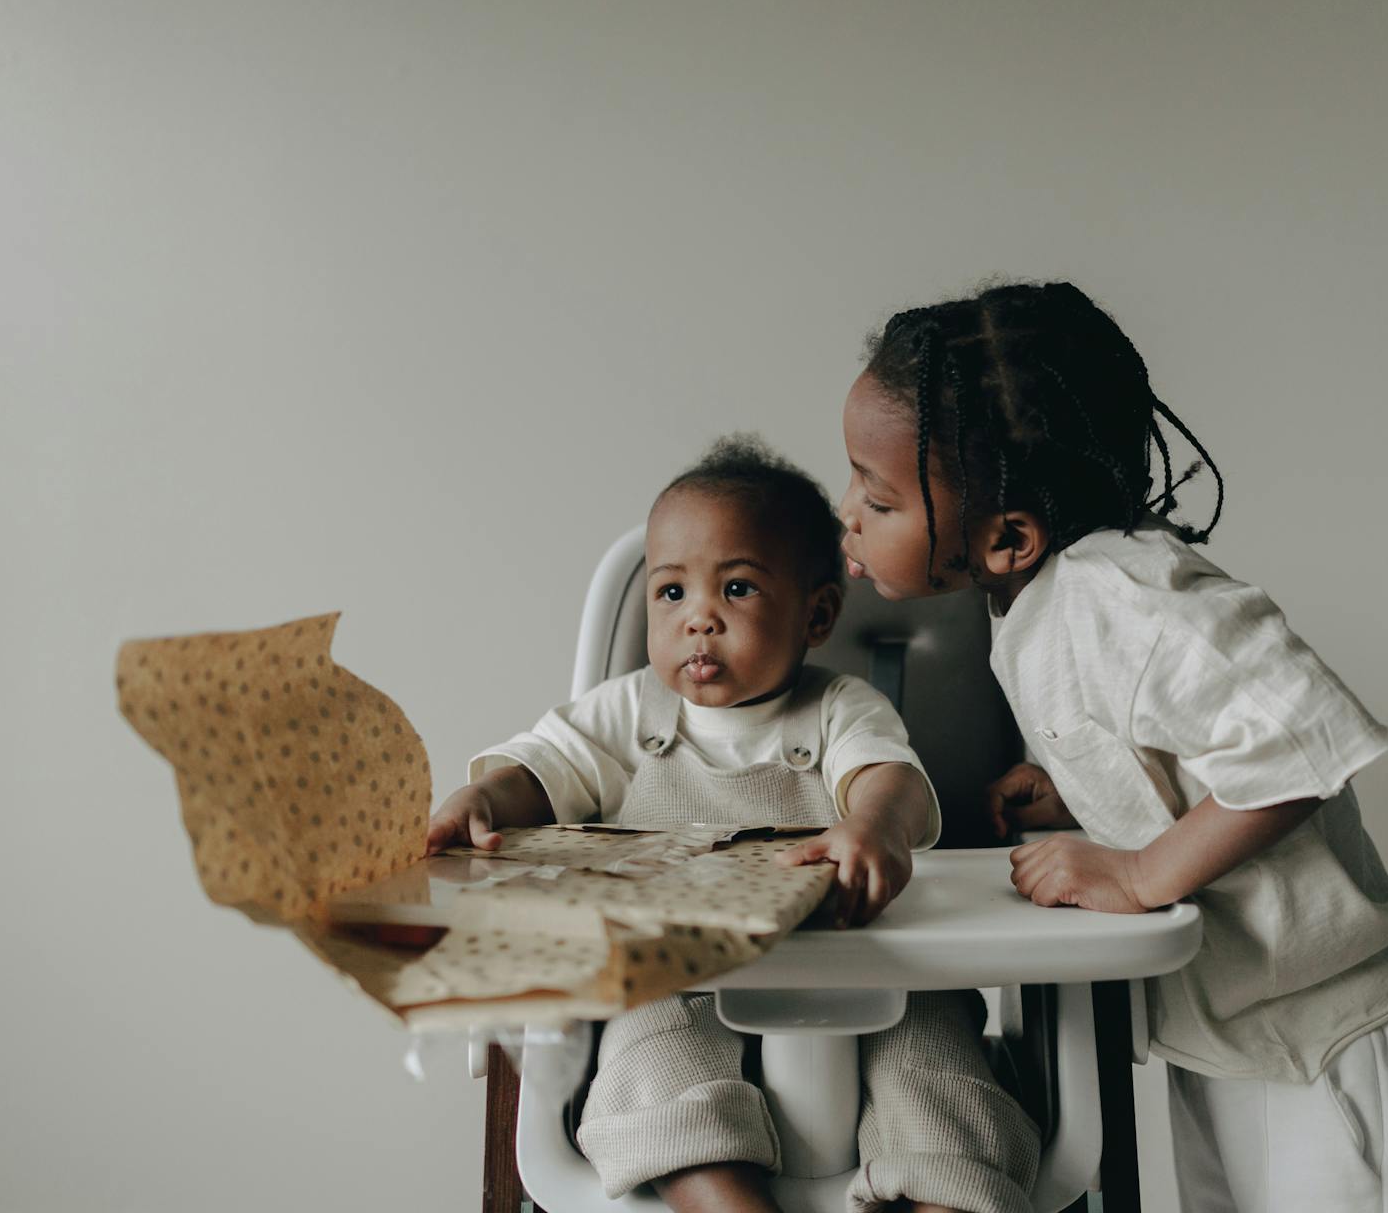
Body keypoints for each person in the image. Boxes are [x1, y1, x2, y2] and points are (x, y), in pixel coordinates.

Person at [837, 282, 1388, 1213]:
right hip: (1233, 1033)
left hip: (1329, 1035)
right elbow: (1178, 743)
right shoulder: (1039, 599)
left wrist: (1138, 874)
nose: (847, 509)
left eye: (878, 496)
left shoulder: (1129, 595)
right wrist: (1085, 791)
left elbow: (1296, 747)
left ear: (1009, 536)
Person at [428, 434, 1039, 1213]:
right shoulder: (625, 712)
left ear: (817, 614)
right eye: (672, 593)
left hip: (869, 977)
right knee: (649, 1065)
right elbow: (543, 770)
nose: (699, 622)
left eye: (739, 590)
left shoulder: (841, 707)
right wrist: (484, 801)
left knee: (937, 1070)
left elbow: (889, 780)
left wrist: (876, 826)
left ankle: (946, 1194)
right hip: (675, 979)